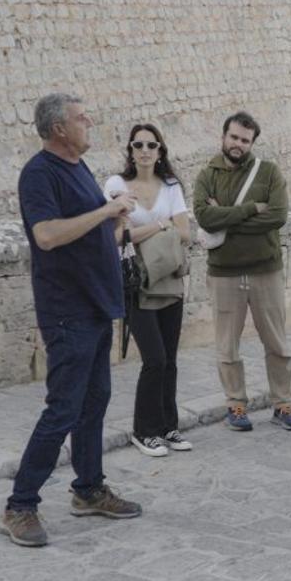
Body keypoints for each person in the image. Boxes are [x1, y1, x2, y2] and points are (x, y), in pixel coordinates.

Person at [1, 93, 142, 548]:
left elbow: (87, 231)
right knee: (63, 407)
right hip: (67, 311)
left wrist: (115, 219)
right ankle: (20, 505)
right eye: (82, 118)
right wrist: (105, 209)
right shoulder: (39, 174)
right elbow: (46, 236)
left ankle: (88, 490)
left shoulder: (78, 167)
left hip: (97, 305)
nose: (90, 121)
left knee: (95, 400)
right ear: (59, 128)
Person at [193, 111, 291, 432]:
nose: (238, 144)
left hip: (265, 270)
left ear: (252, 142)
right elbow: (204, 217)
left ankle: (282, 403)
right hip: (223, 273)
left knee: (277, 341)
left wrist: (224, 215)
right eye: (234, 137)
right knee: (227, 344)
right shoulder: (206, 175)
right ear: (223, 137)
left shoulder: (268, 172)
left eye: (245, 139)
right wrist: (251, 209)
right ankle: (235, 405)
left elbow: (278, 216)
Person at [105, 124, 193, 458]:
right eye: (138, 144)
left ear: (160, 151)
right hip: (133, 280)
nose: (144, 150)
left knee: (169, 359)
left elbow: (185, 232)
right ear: (130, 150)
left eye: (151, 145)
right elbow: (116, 236)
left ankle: (168, 426)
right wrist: (159, 224)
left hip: (168, 278)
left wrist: (139, 229)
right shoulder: (117, 186)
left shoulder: (171, 186)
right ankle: (144, 430)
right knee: (154, 359)